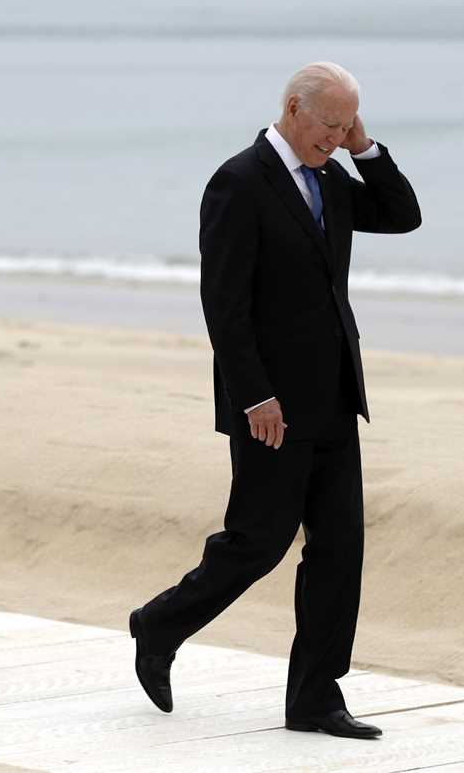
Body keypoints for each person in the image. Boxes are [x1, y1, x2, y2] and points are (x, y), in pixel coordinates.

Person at [128, 62, 421, 738]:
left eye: (348, 124)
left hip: (335, 396)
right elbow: (223, 305)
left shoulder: (334, 178)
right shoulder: (238, 182)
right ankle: (159, 624)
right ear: (294, 107)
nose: (336, 135)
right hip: (272, 406)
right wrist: (252, 393)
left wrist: (365, 151)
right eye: (330, 122)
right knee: (258, 541)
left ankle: (315, 698)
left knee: (339, 547)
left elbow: (403, 215)